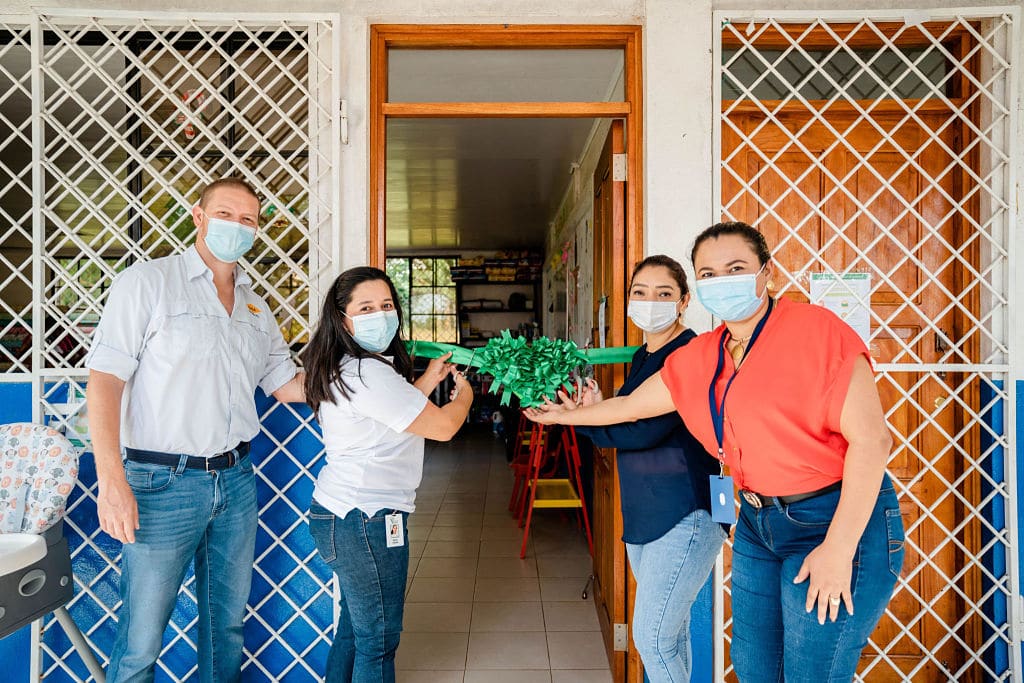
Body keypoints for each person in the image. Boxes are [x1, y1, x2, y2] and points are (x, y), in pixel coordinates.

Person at [527, 222, 904, 682]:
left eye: (736, 267)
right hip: (757, 524)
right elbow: (629, 407)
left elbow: (873, 441)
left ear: (766, 272)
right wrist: (557, 416)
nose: (720, 280)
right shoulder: (704, 355)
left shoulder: (817, 330)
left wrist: (839, 549)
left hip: (832, 518)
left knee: (812, 673)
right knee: (754, 669)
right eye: (707, 272)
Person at [85, 177, 306, 683]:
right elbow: (104, 382)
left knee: (224, 628)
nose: (237, 226)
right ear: (198, 216)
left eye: (248, 220)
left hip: (235, 482)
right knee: (141, 638)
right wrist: (111, 481)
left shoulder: (255, 305)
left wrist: (363, 371)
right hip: (160, 484)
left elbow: (287, 384)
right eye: (226, 214)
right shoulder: (147, 283)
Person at [546, 255, 724, 682]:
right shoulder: (646, 353)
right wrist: (593, 414)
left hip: (689, 511)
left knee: (651, 639)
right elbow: (625, 419)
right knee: (671, 635)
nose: (650, 302)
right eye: (640, 293)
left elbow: (642, 432)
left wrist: (575, 419)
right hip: (649, 514)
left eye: (664, 294)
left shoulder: (688, 353)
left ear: (683, 302)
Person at [300, 266, 474, 683]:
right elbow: (444, 427)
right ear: (343, 318)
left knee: (354, 632)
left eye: (387, 305)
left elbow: (389, 417)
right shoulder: (369, 372)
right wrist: (464, 396)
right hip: (367, 519)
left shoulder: (347, 365)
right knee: (378, 641)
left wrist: (429, 377)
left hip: (339, 513)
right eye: (366, 307)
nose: (380, 314)